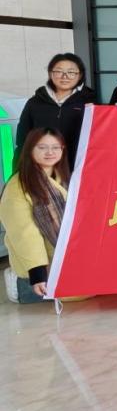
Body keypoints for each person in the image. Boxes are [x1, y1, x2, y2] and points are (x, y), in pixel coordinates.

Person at [1, 129, 70, 304]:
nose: (50, 152)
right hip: (38, 268)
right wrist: (37, 273)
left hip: (66, 258)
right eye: (42, 147)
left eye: (56, 147)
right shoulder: (17, 187)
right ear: (30, 149)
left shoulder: (64, 178)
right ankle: (17, 285)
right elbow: (25, 234)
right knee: (78, 292)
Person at [15, 53, 95, 168]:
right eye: (58, 71)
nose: (65, 76)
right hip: (42, 170)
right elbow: (22, 141)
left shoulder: (90, 102)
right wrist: (19, 171)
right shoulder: (34, 103)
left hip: (78, 169)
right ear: (50, 74)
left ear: (80, 75)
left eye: (71, 72)